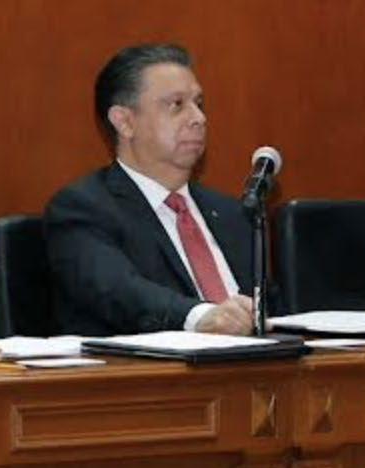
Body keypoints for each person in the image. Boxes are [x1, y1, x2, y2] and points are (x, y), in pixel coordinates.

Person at [44, 43, 256, 337]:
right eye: (177, 105)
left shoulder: (233, 213)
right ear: (125, 122)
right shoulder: (84, 209)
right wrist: (201, 317)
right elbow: (120, 292)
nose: (199, 118)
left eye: (199, 103)